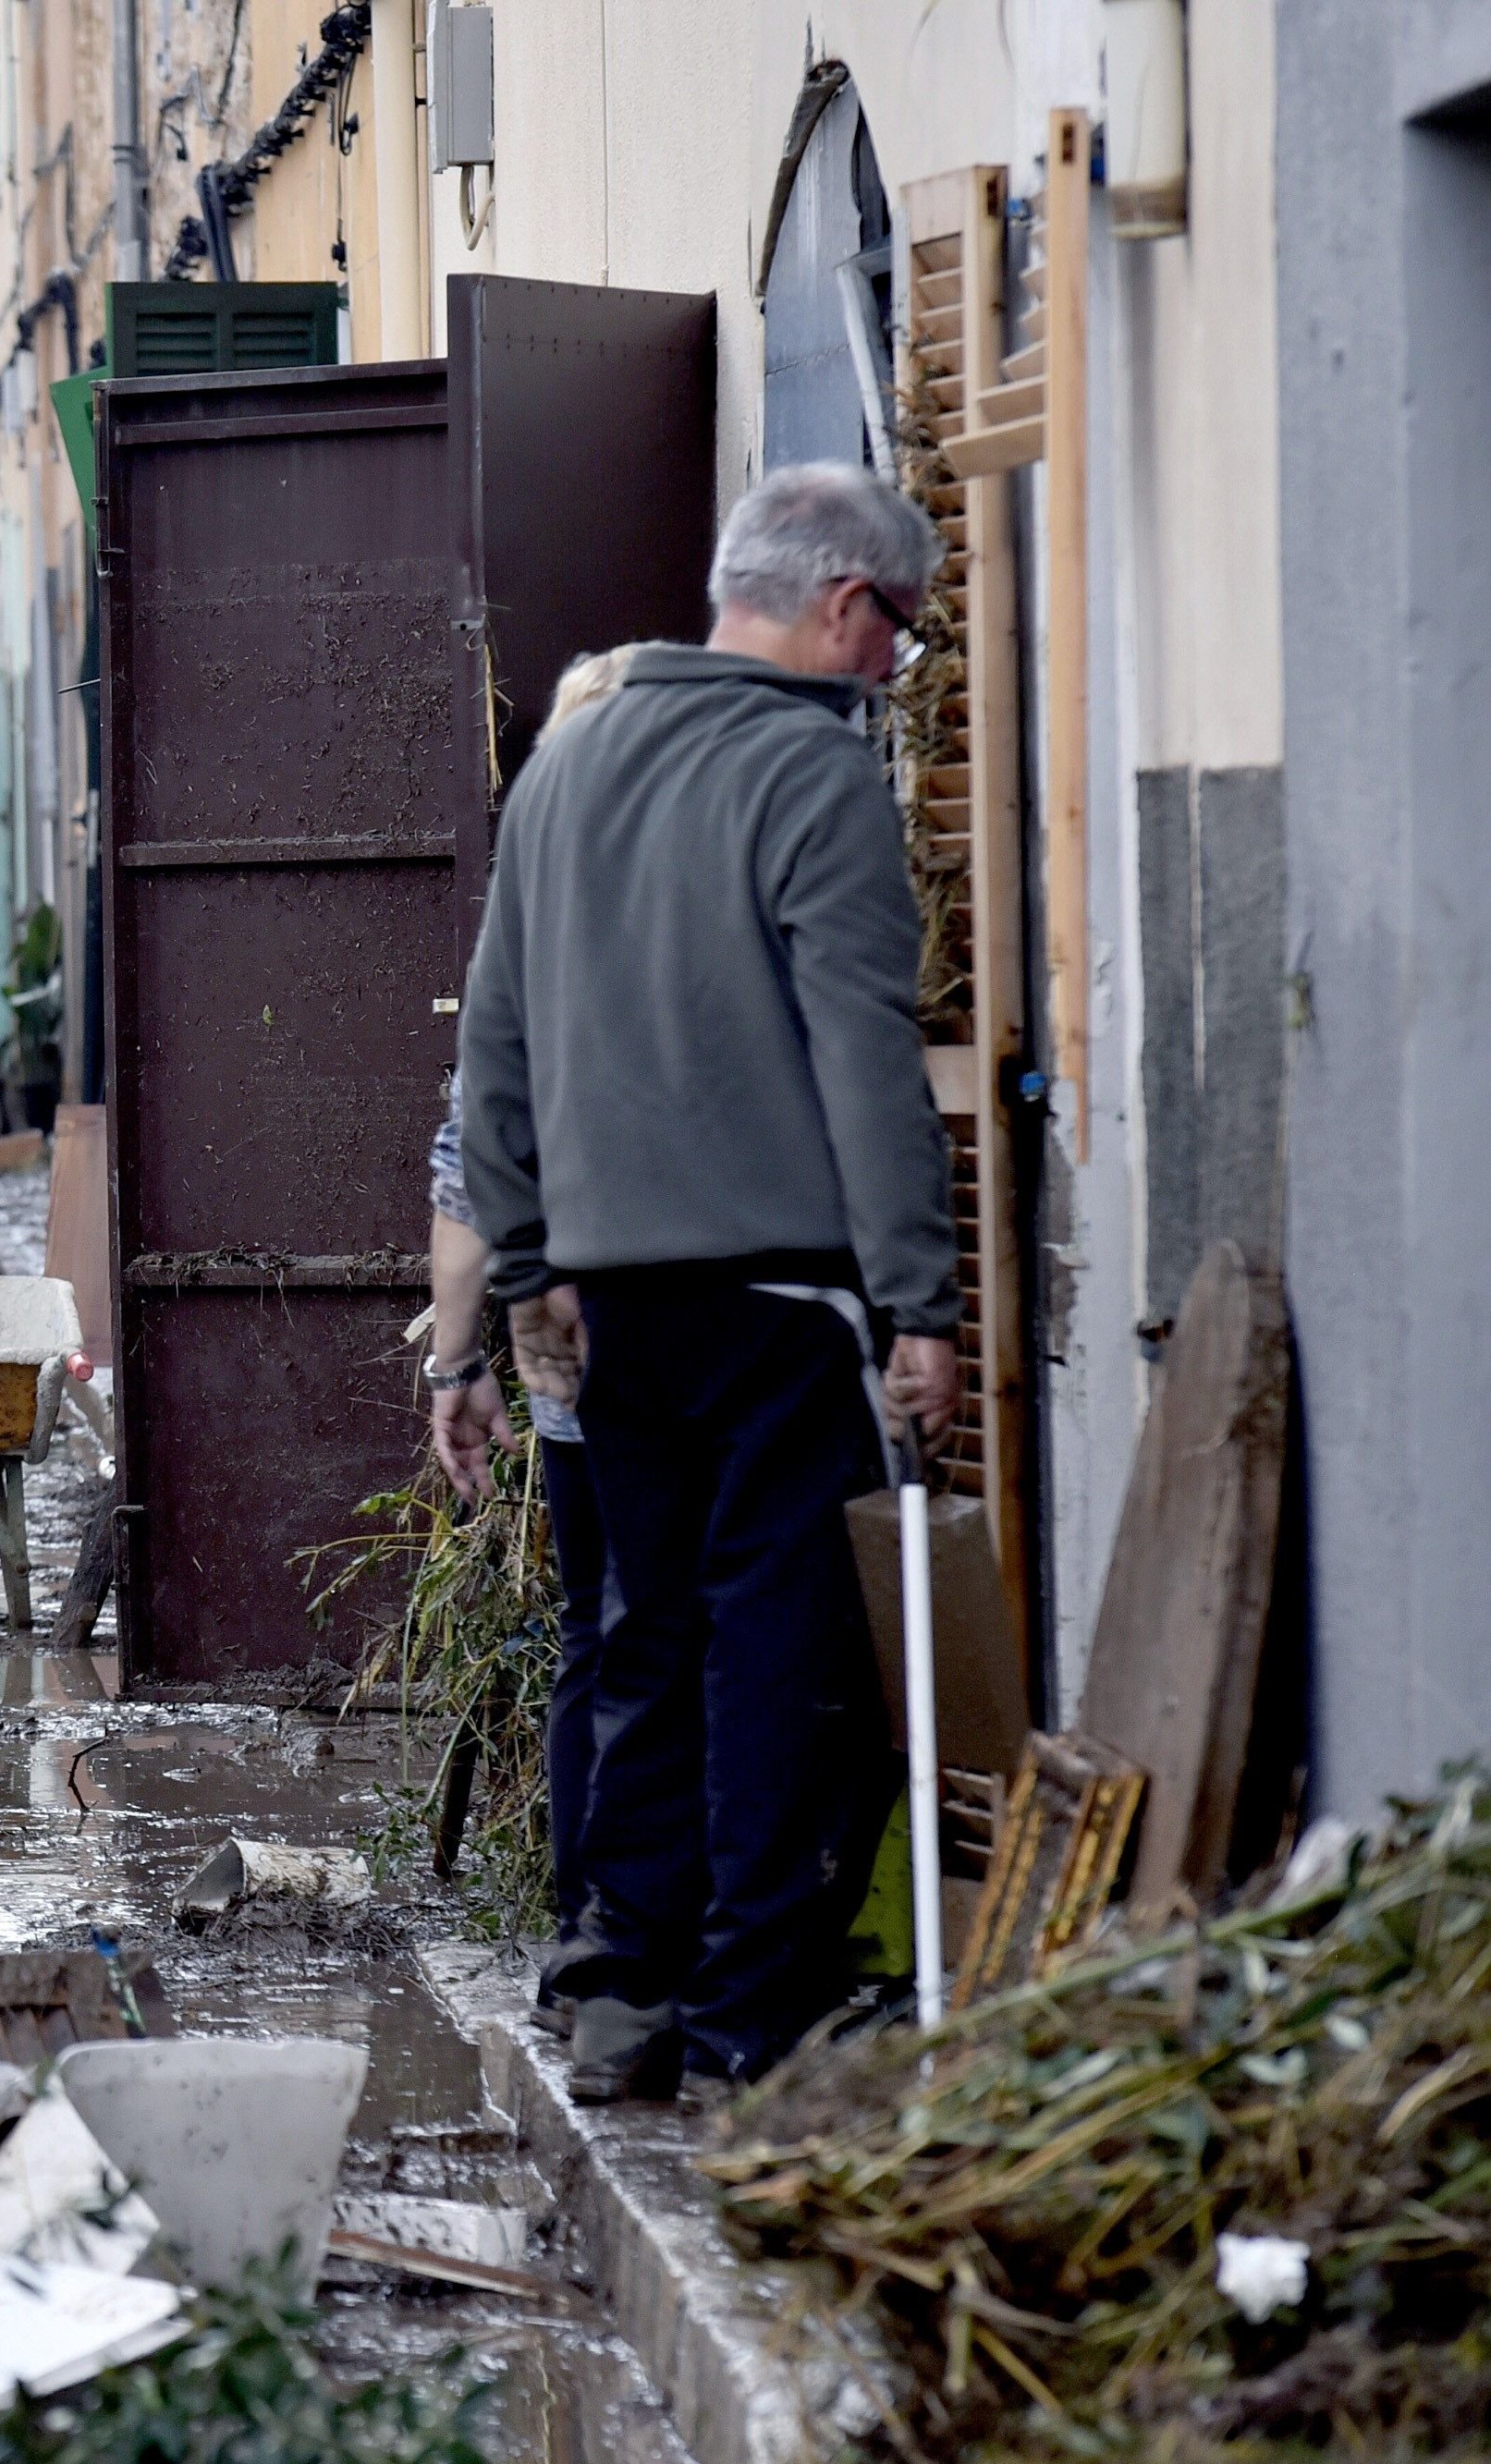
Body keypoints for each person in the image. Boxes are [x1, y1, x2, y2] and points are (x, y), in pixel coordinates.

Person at [458, 464, 960, 2110]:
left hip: (603, 1299)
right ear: (839, 603)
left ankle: (619, 1988)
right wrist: (920, 1301)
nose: (899, 666)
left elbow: (495, 1047)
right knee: (776, 1646)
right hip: (784, 1296)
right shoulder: (810, 776)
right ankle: (754, 2009)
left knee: (643, 1628)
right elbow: (866, 1059)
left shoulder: (568, 763)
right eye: (899, 629)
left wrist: (527, 1269)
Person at [427, 647, 635, 2033]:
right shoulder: (708, 895)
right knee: (659, 1634)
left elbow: (467, 1167)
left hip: (561, 1349)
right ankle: (651, 1947)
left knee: (594, 1635)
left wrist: (453, 1363)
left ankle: (587, 1941)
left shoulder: (529, 924)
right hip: (672, 1339)